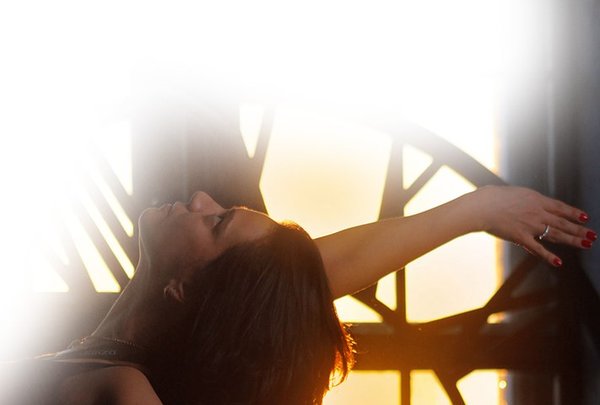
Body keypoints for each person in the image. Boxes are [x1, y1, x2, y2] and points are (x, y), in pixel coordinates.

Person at [0, 186, 595, 404]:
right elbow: (279, 289)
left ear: (184, 289)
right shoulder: (121, 350)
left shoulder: (125, 388)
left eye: (217, 222)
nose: (201, 200)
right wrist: (476, 209)